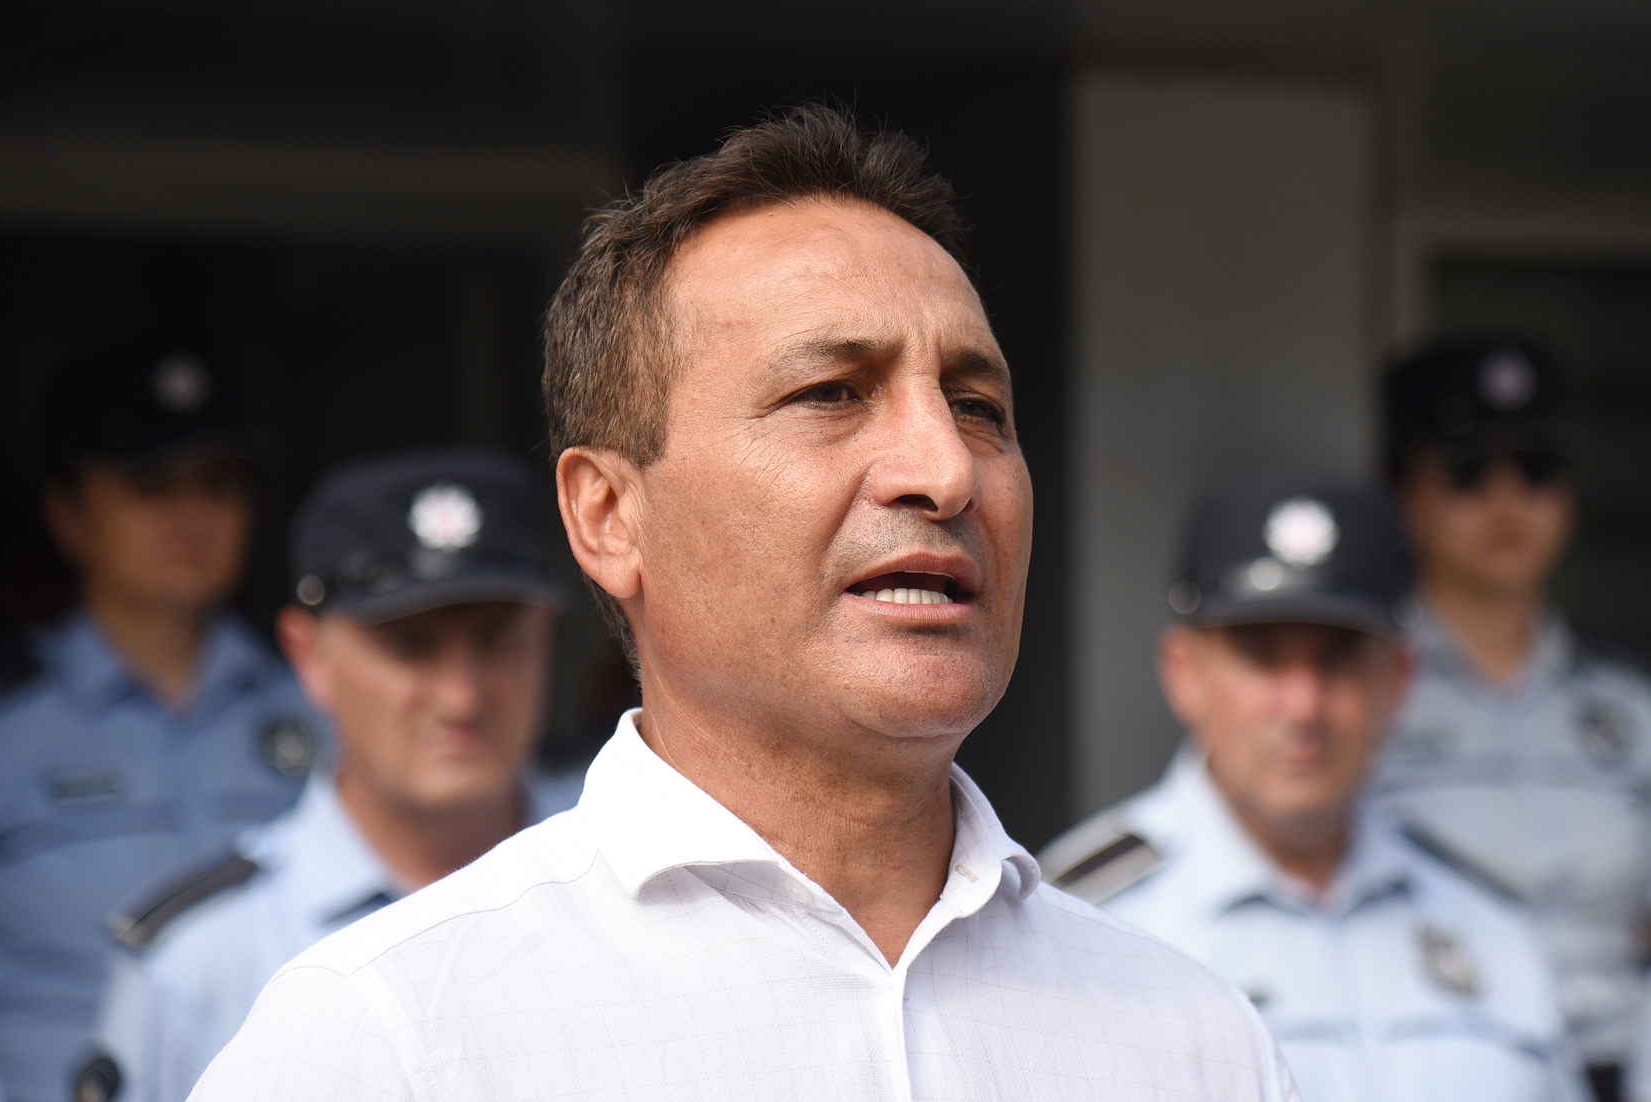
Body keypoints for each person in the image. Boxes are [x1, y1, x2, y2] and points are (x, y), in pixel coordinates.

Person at [189, 105, 1299, 1101]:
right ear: (608, 515)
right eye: (830, 393)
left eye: (977, 405)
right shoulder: (391, 1038)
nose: (946, 470)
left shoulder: (1194, 1042)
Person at [1039, 474, 1586, 1102]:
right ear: (1184, 672)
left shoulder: (1488, 923)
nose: (1303, 706)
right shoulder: (1070, 923)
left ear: (1399, 679)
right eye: (1261, 657)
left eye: (1339, 657)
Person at [79, 447, 577, 1102]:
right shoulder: (201, 960)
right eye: (410, 646)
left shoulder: (649, 885)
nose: (461, 696)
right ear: (309, 656)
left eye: (499, 639)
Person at [0, 343, 319, 1102]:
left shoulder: (327, 707)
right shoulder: (10, 727)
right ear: (68, 515)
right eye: (150, 485)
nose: (190, 515)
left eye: (219, 486)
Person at [1366, 340, 1651, 1102]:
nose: (1507, 498)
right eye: (1466, 470)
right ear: (1401, 495)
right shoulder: (1352, 694)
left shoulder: (1629, 706)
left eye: (1537, 468)